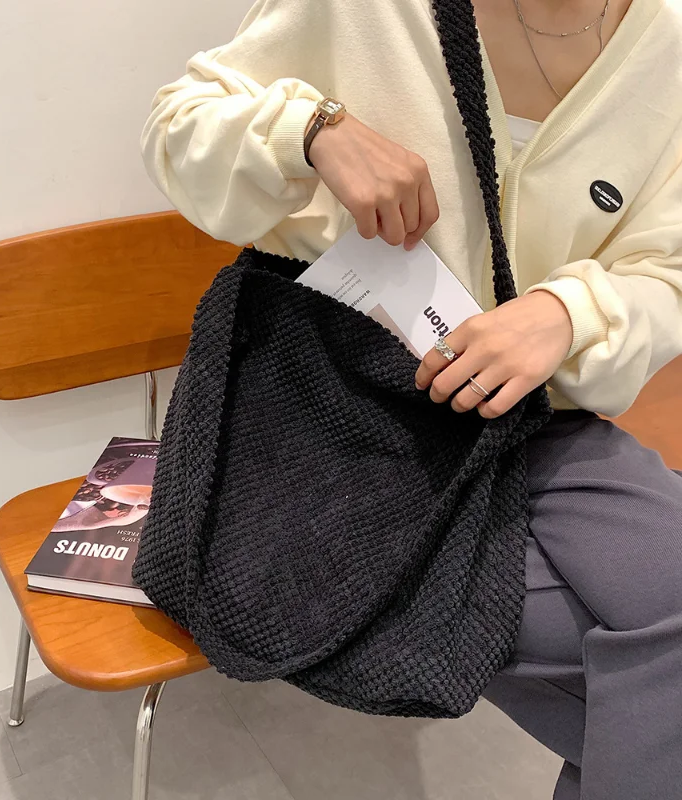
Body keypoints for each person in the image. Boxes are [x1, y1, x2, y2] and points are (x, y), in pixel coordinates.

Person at [140, 1, 682, 797]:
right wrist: (310, 131)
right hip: (336, 415)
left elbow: (667, 269)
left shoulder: (666, 45)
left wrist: (568, 314)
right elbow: (176, 127)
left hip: (531, 419)